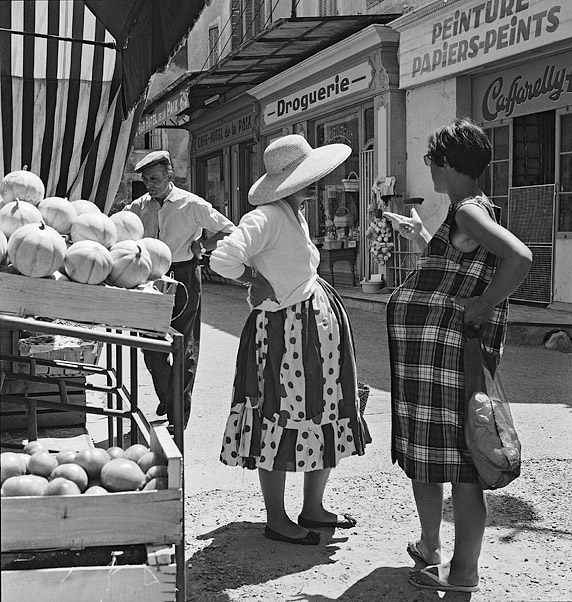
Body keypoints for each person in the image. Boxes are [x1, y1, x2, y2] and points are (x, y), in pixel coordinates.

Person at [385, 118, 532, 592]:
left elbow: (520, 258)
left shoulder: (469, 211)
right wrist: (423, 238)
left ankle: (463, 570)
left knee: (462, 460)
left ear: (446, 164)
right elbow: (463, 265)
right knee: (429, 454)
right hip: (432, 358)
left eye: (431, 160)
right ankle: (431, 550)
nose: (429, 167)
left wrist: (483, 305)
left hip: (449, 356)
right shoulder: (465, 213)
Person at [210, 135, 370, 545]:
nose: (315, 186)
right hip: (284, 335)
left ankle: (312, 508)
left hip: (311, 330)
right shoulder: (266, 217)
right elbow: (222, 258)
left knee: (324, 410)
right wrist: (254, 279)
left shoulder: (292, 212)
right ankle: (277, 518)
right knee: (280, 415)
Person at [124, 150, 235, 428]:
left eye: (156, 179)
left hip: (184, 274)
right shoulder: (139, 206)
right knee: (150, 343)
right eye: (147, 180)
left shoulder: (192, 204)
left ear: (170, 175)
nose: (150, 185)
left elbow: (229, 229)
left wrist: (203, 246)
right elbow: (118, 229)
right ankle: (171, 396)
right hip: (150, 276)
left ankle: (178, 414)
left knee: (184, 344)